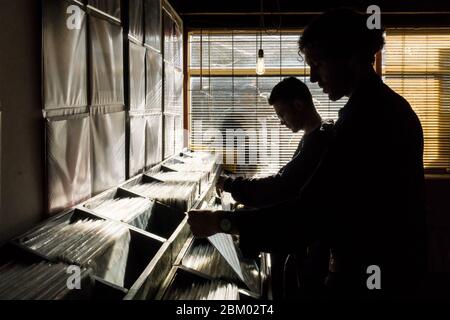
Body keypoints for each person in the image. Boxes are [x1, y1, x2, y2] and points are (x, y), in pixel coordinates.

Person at [188, 8, 426, 298]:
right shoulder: (376, 110)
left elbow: (311, 210)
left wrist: (222, 222)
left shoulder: (367, 120)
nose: (313, 78)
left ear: (349, 56)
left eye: (318, 63)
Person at [216, 77, 334, 298]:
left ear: (298, 105)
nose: (281, 121)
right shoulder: (312, 137)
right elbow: (286, 181)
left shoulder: (319, 141)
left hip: (316, 250)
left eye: (282, 114)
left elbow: (283, 187)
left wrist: (231, 186)